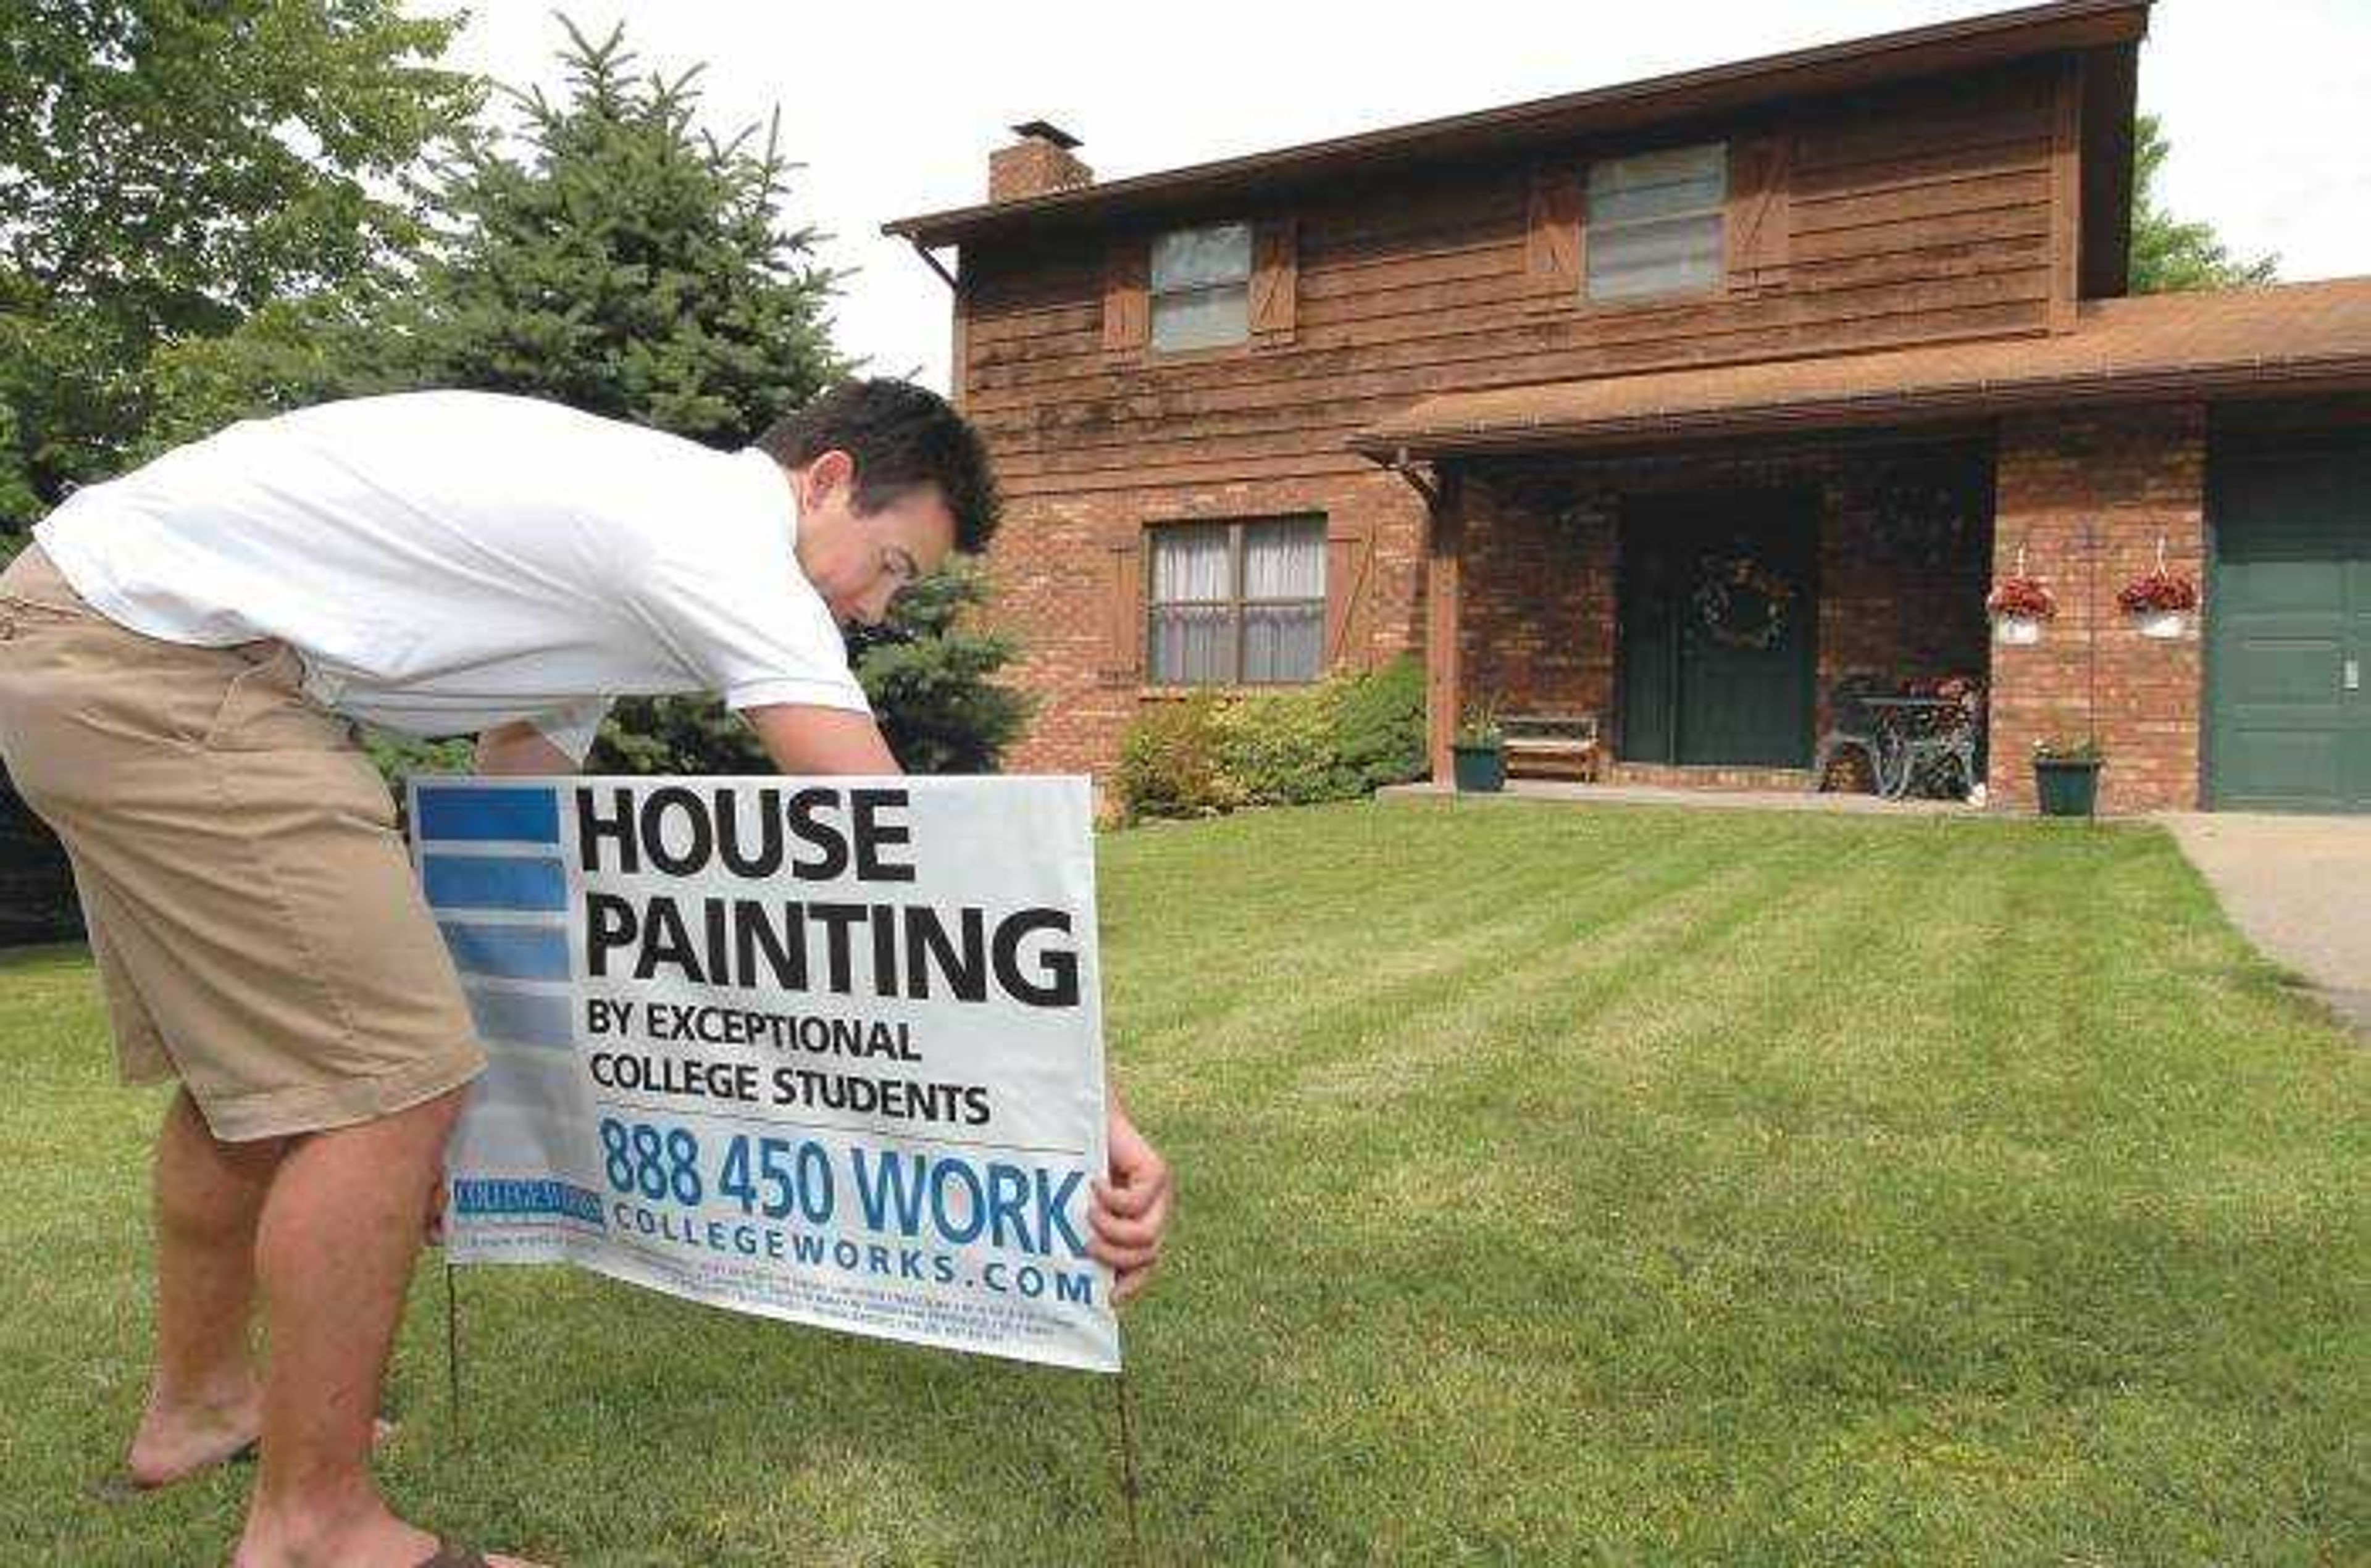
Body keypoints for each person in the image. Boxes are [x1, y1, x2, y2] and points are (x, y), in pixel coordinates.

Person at [0, 380, 1174, 1568]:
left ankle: (202, 1411)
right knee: (388, 1087)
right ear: (824, 480)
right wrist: (1083, 1106)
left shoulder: (626, 549)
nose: (877, 609)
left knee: (252, 1090)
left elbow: (516, 793)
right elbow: (891, 844)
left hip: (93, 636)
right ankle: (317, 1532)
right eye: (892, 567)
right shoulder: (717, 533)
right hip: (166, 670)